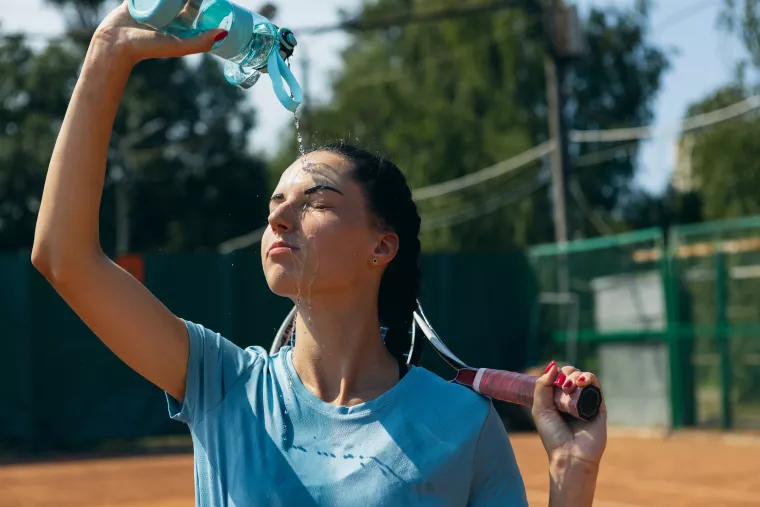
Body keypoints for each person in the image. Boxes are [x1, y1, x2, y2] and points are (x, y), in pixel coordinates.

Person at [32, 2, 607, 506]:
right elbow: (63, 257)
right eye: (276, 202)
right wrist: (107, 54)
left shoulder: (464, 425)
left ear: (381, 246)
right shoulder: (220, 382)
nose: (280, 215)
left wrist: (571, 476)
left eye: (317, 203)